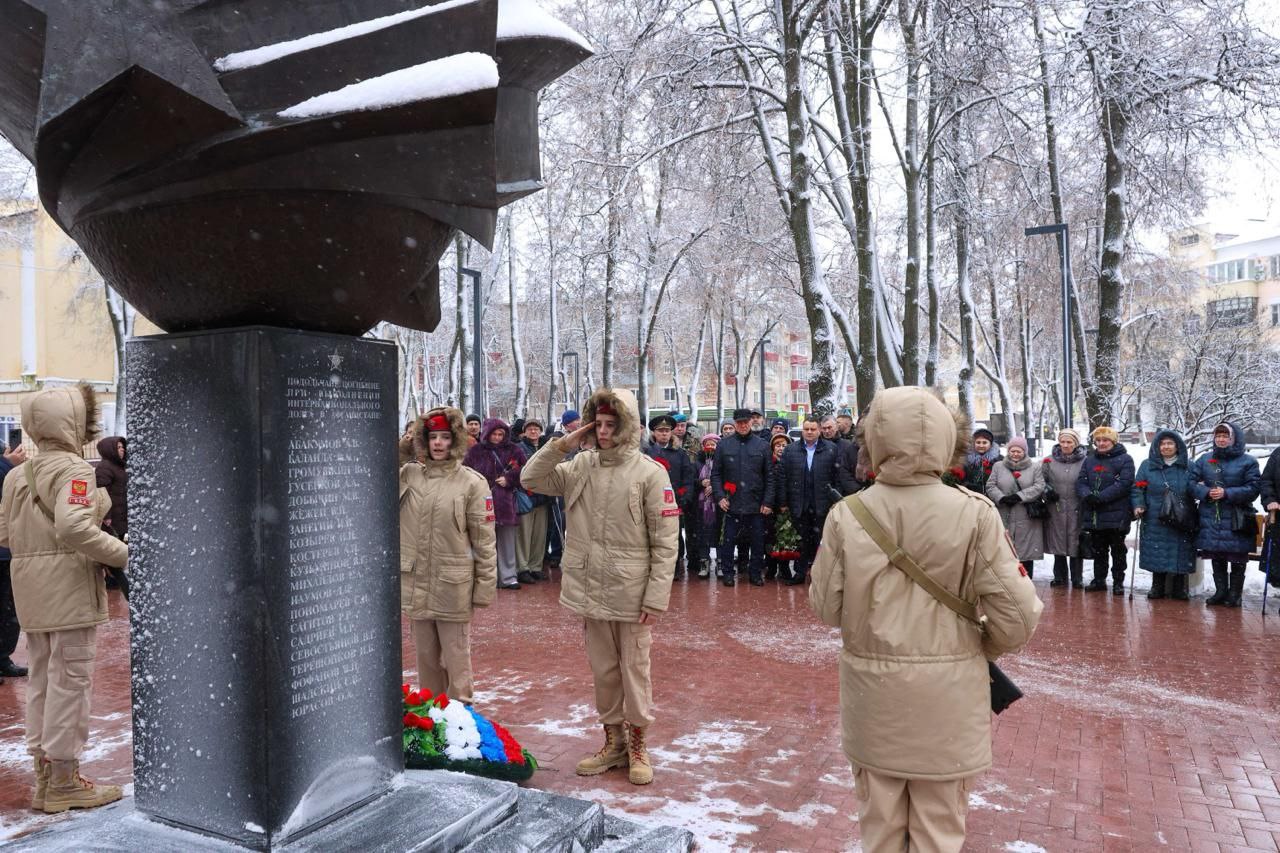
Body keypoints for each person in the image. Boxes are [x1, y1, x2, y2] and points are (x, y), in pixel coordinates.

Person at [810, 387, 1042, 853]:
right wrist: (978, 645)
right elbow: (1018, 617)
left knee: (880, 831)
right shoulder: (975, 513)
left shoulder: (847, 515)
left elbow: (826, 607)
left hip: (874, 698)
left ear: (874, 440)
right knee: (938, 832)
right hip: (948, 701)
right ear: (946, 439)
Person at [522, 388, 678, 786]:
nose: (604, 432)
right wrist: (563, 444)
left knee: (635, 672)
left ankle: (638, 745)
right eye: (598, 424)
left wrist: (656, 597)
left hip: (632, 593)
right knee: (604, 672)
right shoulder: (580, 466)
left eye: (611, 425)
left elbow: (665, 542)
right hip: (590, 589)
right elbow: (530, 478)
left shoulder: (649, 473)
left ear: (627, 427)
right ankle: (614, 743)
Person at [0, 385, 129, 813]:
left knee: (42, 680)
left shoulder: (17, 475)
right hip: (69, 588)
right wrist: (122, 554)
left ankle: (45, 779)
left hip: (30, 589)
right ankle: (64, 782)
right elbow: (74, 528)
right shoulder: (75, 470)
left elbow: (4, 534)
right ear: (73, 423)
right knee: (71, 683)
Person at [400, 408, 497, 704]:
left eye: (444, 437)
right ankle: (433, 716)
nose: (438, 443)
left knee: (456, 659)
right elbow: (376, 469)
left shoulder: (472, 483)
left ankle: (461, 717)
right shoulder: (409, 475)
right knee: (426, 659)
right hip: (417, 583)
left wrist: (484, 587)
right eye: (432, 437)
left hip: (453, 586)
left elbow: (484, 540)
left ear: (455, 440)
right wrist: (407, 445)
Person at [1192, 422, 1261, 607]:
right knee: (1217, 556)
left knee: (1237, 557)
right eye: (1218, 436)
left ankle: (1235, 594)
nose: (1221, 439)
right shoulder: (1205, 459)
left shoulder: (1248, 461)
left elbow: (1254, 488)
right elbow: (1190, 483)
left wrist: (1227, 493)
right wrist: (1206, 492)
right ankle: (1220, 592)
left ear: (1234, 438)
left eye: (1225, 436)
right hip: (1212, 517)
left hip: (1236, 518)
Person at [768, 417, 838, 585]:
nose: (809, 432)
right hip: (798, 503)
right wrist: (783, 502)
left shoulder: (831, 449)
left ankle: (820, 575)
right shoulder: (791, 450)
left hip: (822, 503)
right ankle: (800, 573)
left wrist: (835, 501)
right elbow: (783, 478)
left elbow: (836, 477)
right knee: (802, 540)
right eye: (806, 429)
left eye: (813, 429)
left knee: (821, 541)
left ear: (819, 431)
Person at [1131, 431, 1197, 601]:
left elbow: (1196, 488)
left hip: (1182, 516)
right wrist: (1139, 504)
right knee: (1157, 550)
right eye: (1162, 444)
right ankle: (1157, 586)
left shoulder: (1189, 466)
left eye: (1170, 443)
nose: (1166, 447)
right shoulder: (1147, 466)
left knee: (1181, 551)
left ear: (1177, 446)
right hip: (1155, 515)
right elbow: (1138, 488)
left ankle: (1179, 588)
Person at [463, 418, 526, 590]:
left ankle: (508, 577)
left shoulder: (514, 449)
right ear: (487, 434)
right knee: (483, 543)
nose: (497, 437)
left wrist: (510, 479)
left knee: (507, 542)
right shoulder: (476, 451)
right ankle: (485, 578)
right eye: (494, 434)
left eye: (500, 434)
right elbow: (465, 472)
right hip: (482, 502)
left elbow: (526, 470)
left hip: (506, 502)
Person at [712, 408, 773, 587]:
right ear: (735, 424)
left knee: (757, 542)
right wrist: (720, 496)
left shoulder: (762, 445)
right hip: (731, 503)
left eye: (746, 422)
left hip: (756, 504)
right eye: (739, 423)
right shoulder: (724, 445)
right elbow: (716, 474)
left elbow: (769, 476)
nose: (743, 425)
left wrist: (768, 501)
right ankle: (728, 573)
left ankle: (755, 573)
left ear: (751, 422)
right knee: (728, 541)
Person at [1076, 426, 1136, 595]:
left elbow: (1124, 484)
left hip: (1117, 514)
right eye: (1098, 440)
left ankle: (1118, 581)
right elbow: (1081, 481)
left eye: (1105, 440)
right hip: (1095, 514)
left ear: (1113, 442)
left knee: (1118, 551)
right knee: (1099, 550)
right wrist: (1087, 495)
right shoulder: (1089, 460)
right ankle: (1099, 580)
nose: (1101, 443)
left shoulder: (1125, 459)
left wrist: (1101, 497)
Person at [645, 415, 697, 579]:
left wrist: (684, 498)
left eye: (667, 430)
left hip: (674, 503)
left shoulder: (679, 453)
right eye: (660, 430)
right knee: (652, 536)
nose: (664, 434)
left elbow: (688, 478)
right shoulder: (646, 453)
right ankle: (653, 568)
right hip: (651, 502)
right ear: (654, 432)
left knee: (673, 537)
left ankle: (675, 567)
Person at [985, 437, 1046, 578]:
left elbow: (1039, 486)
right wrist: (1002, 498)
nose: (1015, 454)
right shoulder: (998, 466)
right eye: (1012, 451)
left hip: (1025, 514)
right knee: (1004, 547)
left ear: (1025, 452)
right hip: (1004, 512)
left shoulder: (1035, 467)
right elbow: (990, 485)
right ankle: (1007, 579)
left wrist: (1020, 496)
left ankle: (1026, 579)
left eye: (1019, 451)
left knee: (1025, 549)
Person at [1042, 429, 1086, 588]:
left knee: (1076, 542)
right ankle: (1059, 576)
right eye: (1062, 441)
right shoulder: (1048, 461)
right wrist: (1047, 491)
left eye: (1069, 442)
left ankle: (1077, 577)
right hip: (1056, 507)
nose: (1065, 445)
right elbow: (1040, 480)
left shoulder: (1085, 461)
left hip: (1077, 507)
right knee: (1058, 540)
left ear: (1076, 443)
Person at [0, 441, 28, 683]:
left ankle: (3, 658)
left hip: (8, 549)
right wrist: (6, 465)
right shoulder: (5, 467)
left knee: (9, 608)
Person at [544, 410, 581, 573]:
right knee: (560, 520)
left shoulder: (580, 438)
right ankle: (556, 553)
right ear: (567, 424)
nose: (579, 422)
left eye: (579, 420)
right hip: (560, 485)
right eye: (576, 420)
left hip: (576, 485)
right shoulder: (558, 438)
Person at [514, 420, 549, 584]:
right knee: (524, 535)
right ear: (525, 432)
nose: (533, 432)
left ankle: (536, 566)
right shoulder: (518, 448)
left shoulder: (545, 448)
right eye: (530, 429)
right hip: (526, 497)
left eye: (536, 429)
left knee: (539, 535)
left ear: (540, 431)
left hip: (543, 496)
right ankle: (522, 568)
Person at [693, 434, 720, 579]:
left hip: (719, 504)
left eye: (713, 444)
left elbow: (727, 478)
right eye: (707, 444)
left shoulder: (722, 461)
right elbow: (691, 479)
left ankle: (720, 561)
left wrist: (715, 486)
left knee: (719, 533)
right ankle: (704, 560)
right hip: (701, 505)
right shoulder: (697, 463)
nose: (710, 447)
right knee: (702, 533)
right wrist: (701, 482)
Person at [962, 428, 1001, 494]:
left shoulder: (998, 460)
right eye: (978, 442)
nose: (981, 445)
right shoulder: (966, 460)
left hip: (992, 496)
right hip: (970, 495)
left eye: (984, 442)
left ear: (991, 444)